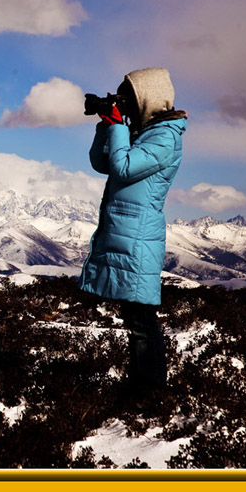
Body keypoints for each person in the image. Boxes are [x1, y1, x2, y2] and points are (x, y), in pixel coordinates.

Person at [78, 67, 187, 408]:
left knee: (141, 316)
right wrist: (106, 125)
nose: (125, 105)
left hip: (139, 236)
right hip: (127, 231)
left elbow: (123, 167)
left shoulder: (165, 137)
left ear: (147, 99)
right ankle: (142, 385)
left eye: (129, 98)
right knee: (134, 314)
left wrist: (116, 126)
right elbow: (102, 163)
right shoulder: (143, 133)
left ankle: (151, 390)